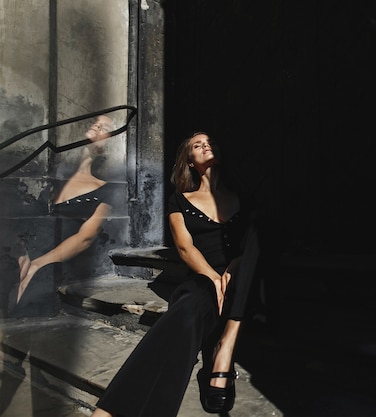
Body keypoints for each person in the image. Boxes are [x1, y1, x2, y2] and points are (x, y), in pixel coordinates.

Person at [93, 132, 258, 416]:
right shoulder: (180, 200)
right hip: (202, 277)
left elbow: (253, 247)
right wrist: (213, 278)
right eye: (197, 144)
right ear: (190, 161)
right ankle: (112, 410)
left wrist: (238, 264)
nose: (206, 145)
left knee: (256, 248)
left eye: (211, 142)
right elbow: (184, 247)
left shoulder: (243, 199)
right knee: (185, 312)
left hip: (242, 278)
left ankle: (225, 347)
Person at [6, 115, 115, 318]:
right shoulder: (49, 178)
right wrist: (22, 255)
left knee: (34, 285)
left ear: (108, 144)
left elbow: (86, 237)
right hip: (26, 252)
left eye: (106, 127)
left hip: (57, 258)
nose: (98, 126)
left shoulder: (105, 189)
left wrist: (39, 263)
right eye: (95, 123)